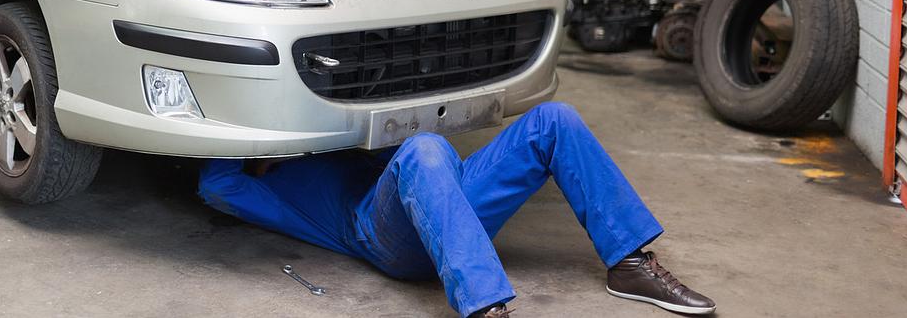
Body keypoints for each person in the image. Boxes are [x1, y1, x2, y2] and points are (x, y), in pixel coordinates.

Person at [198, 102, 716, 317]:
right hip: (385, 236)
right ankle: (485, 305)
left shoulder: (329, 136)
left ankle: (627, 262)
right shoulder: (260, 187)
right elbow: (214, 182)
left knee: (552, 120)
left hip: (444, 197)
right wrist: (253, 134)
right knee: (423, 151)